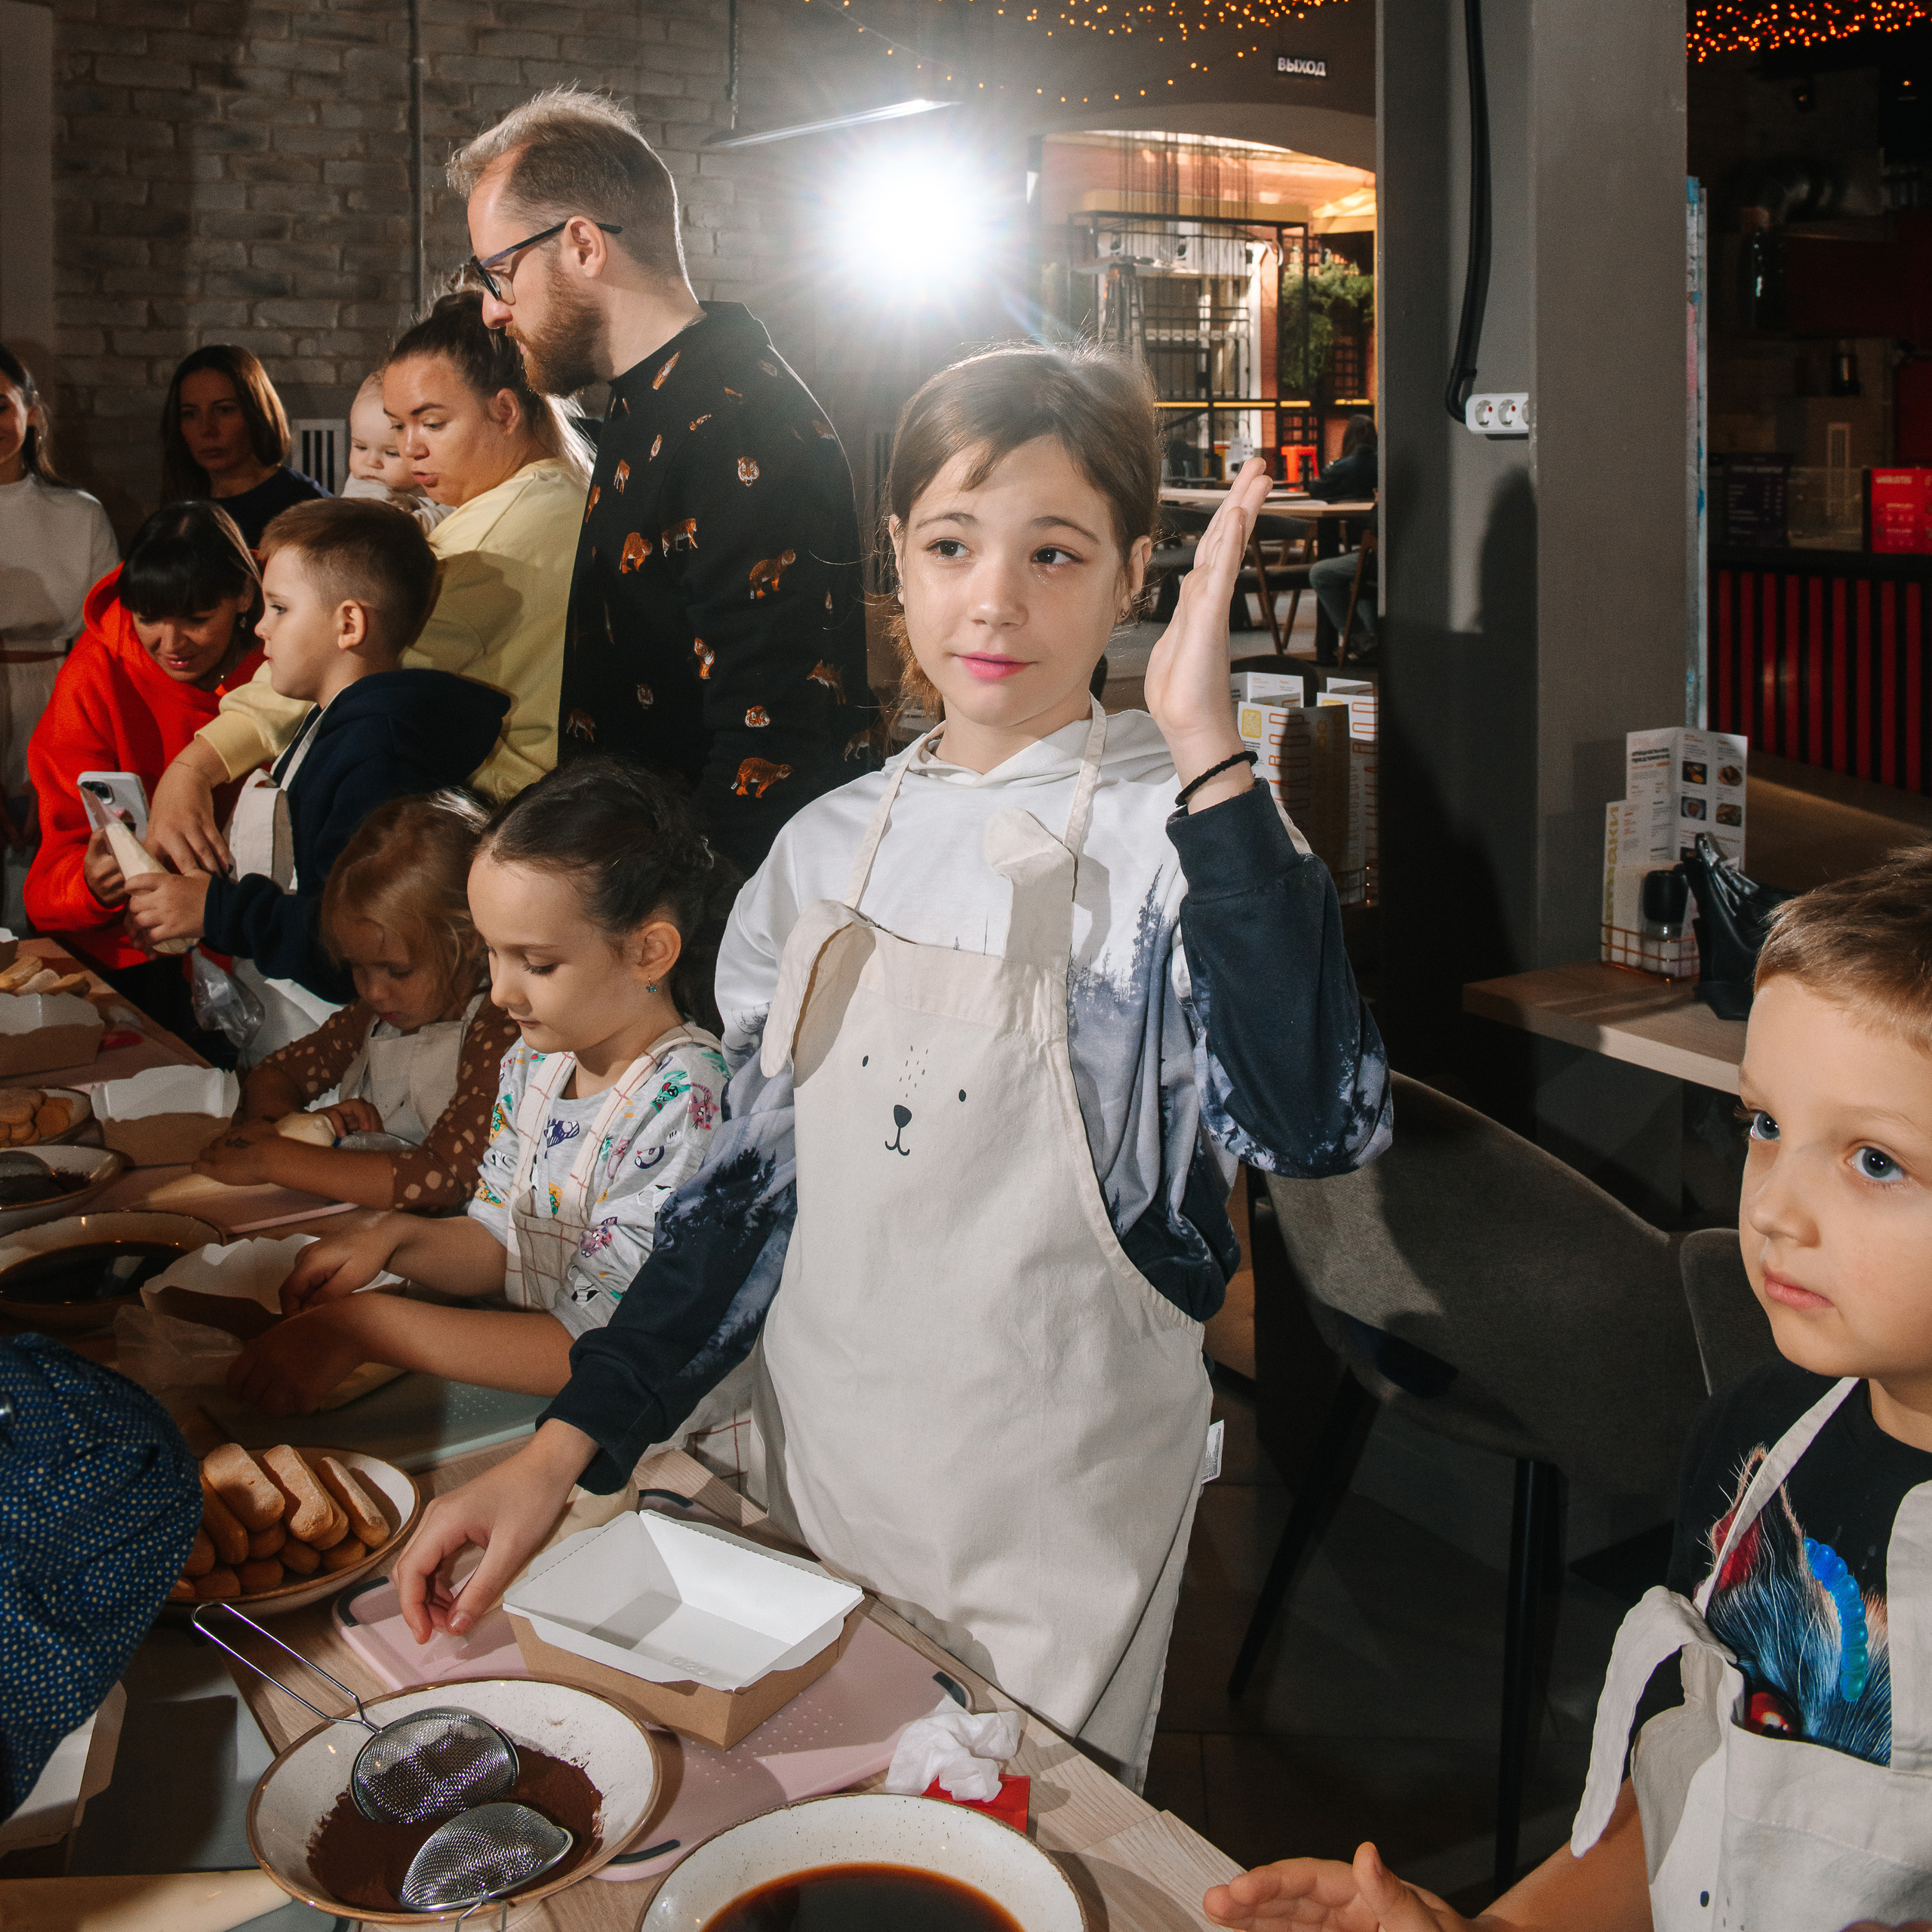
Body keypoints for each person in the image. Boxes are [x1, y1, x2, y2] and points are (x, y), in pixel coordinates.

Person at [386, 344, 1392, 1789]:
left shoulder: (1193, 840)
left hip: (1053, 1516)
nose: (995, 599)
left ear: (1132, 576)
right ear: (898, 567)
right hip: (816, 1477)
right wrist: (564, 1448)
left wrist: (1207, 753)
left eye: (1056, 552)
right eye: (950, 544)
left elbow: (1318, 1128)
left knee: (997, 1845)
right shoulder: (823, 850)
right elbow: (737, 1208)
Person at [1201, 844, 1932, 1930]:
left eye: (1876, 1161)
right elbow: (1691, 1798)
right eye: (1765, 1127)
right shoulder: (1751, 1438)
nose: (1774, 1208)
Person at [221, 759, 741, 1447]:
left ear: (649, 952)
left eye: (537, 963)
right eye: (493, 954)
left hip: (646, 1444)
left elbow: (592, 1347)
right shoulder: (534, 1060)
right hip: (536, 1414)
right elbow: (502, 1241)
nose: (499, 993)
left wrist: (366, 1326)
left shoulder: (686, 1102)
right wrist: (394, 1238)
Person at [450, 85, 878, 875]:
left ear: (582, 244)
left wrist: (660, 955)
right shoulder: (652, 401)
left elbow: (772, 753)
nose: (491, 310)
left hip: (702, 930)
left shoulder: (736, 422)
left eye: (500, 273)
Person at [145, 293, 586, 880]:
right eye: (399, 426)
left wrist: (197, 765)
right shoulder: (560, 491)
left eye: (433, 423)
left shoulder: (502, 528)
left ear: (505, 411)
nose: (410, 450)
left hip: (511, 829)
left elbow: (348, 651)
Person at [122, 498, 511, 1057]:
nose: (259, 629)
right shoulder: (331, 726)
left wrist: (215, 909)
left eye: (279, 608)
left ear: (349, 624)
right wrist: (186, 907)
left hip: (342, 1052)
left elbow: (358, 942)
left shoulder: (378, 756)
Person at [192, 793, 518, 1214]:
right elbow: (275, 1075)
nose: (372, 991)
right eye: (357, 967)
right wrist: (298, 1129)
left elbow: (444, 1179)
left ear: (470, 940)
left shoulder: (500, 1031)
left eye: (396, 971)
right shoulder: (375, 1017)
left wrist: (275, 1157)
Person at [23, 503, 263, 1037]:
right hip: (135, 964)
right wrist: (91, 883)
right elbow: (48, 883)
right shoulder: (96, 672)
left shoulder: (285, 655)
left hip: (266, 942)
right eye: (149, 618)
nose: (171, 644)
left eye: (197, 619)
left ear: (245, 596)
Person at [0, 344, 119, 930]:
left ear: (32, 412)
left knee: (49, 864)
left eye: (0, 405)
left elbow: (105, 636)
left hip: (59, 689)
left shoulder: (80, 514)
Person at [160, 346, 327, 549]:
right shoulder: (180, 504)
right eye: (190, 414)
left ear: (256, 413)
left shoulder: (304, 506)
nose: (207, 429)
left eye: (224, 410)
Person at [1303, 414, 1377, 666]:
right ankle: (1369, 639)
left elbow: (1316, 489)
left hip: (1373, 552)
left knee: (1322, 573)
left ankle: (1361, 639)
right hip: (1375, 549)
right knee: (1360, 572)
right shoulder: (1384, 465)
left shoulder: (1344, 467)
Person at [340, 373, 451, 533]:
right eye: (360, 447)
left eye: (391, 453)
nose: (371, 462)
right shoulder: (370, 494)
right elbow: (405, 529)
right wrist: (456, 511)